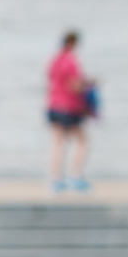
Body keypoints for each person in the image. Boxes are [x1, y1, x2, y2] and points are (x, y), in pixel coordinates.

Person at [46, 29, 93, 193]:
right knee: (82, 140)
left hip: (52, 105)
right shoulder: (71, 61)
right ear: (74, 44)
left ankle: (55, 179)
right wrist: (89, 84)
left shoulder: (54, 60)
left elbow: (51, 79)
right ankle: (75, 176)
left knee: (57, 142)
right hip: (68, 107)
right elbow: (74, 86)